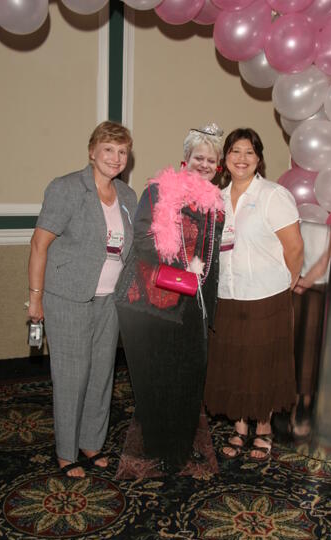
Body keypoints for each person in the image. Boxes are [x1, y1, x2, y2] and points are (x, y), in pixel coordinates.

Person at [28, 121, 137, 477]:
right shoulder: (67, 188)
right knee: (72, 376)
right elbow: (39, 244)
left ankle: (91, 443)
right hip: (68, 298)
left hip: (110, 301)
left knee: (101, 375)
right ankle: (66, 452)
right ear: (92, 152)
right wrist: (35, 299)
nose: (116, 158)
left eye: (122, 152)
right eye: (109, 149)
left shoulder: (127, 196)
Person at [114, 123, 224, 474]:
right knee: (158, 376)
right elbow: (144, 237)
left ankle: (181, 445)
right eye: (198, 158)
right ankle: (161, 448)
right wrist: (179, 265)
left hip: (194, 303)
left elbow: (213, 257)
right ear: (185, 160)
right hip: (155, 301)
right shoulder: (159, 190)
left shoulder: (214, 204)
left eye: (211, 160)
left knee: (190, 374)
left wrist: (209, 301)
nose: (204, 164)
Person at [204, 128, 304, 461]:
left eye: (249, 152)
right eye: (235, 151)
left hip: (266, 297)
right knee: (235, 364)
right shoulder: (216, 198)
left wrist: (283, 286)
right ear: (225, 159)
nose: (242, 158)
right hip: (228, 295)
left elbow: (294, 248)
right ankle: (240, 427)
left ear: (259, 158)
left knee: (262, 365)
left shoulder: (273, 195)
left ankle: (263, 429)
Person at [291, 221, 331, 440]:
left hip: (319, 285)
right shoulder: (300, 198)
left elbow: (329, 254)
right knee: (291, 344)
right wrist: (294, 277)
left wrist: (305, 281)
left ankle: (304, 406)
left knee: (309, 350)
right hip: (295, 280)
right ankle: (288, 403)